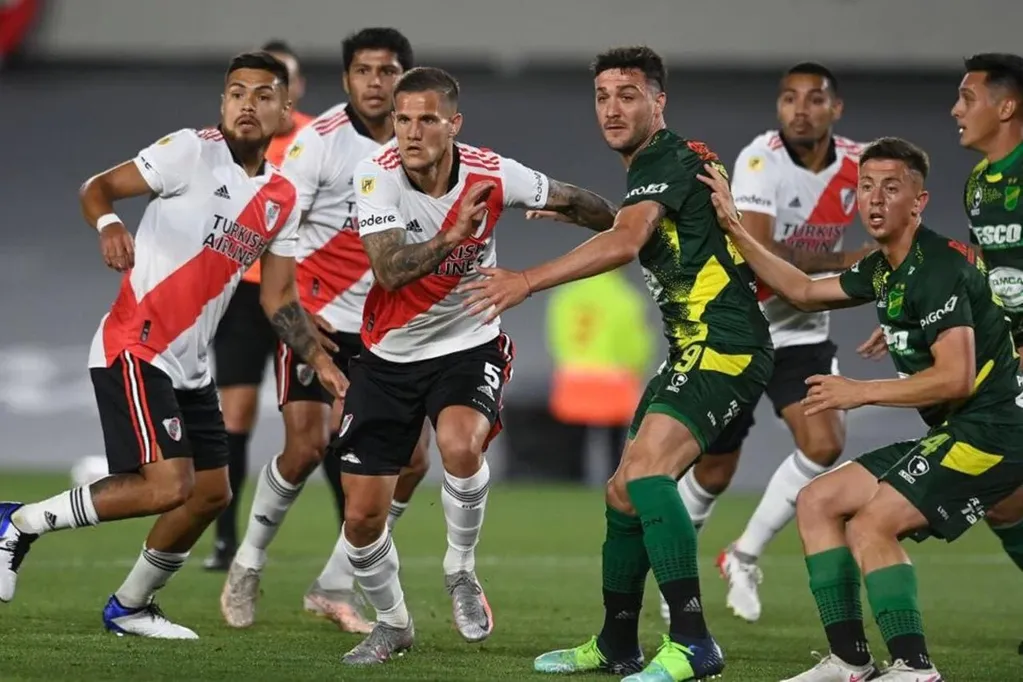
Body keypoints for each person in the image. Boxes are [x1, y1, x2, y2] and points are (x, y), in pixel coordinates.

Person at [0, 52, 346, 639]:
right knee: (167, 486)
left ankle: (131, 606)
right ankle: (18, 522)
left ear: (286, 109)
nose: (247, 104)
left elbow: (277, 298)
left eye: (263, 95)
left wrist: (317, 358)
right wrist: (110, 223)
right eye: (236, 92)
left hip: (190, 365)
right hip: (136, 345)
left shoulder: (282, 198)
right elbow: (97, 188)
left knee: (210, 494)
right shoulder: (189, 151)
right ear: (222, 102)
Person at [465, 46, 772, 682]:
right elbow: (649, 228)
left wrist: (525, 280)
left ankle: (693, 642)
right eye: (603, 96)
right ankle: (617, 644)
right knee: (622, 492)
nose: (612, 108)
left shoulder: (665, 158)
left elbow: (629, 240)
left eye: (628, 95)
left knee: (648, 475)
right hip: (692, 347)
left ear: (659, 102)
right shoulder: (663, 165)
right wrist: (591, 215)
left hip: (724, 344)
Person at [701, 135, 1023, 681]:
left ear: (918, 202)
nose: (874, 199)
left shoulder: (936, 267)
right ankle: (849, 661)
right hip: (960, 431)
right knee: (817, 500)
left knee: (873, 524)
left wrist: (858, 390)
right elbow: (803, 291)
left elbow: (956, 377)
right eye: (866, 186)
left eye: (891, 188)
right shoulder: (885, 269)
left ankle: (914, 668)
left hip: (991, 433)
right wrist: (735, 227)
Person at [334, 65, 619, 665]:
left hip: (468, 341)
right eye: (402, 120)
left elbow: (589, 205)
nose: (411, 132)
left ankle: (460, 570)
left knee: (461, 445)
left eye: (427, 120)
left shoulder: (494, 173)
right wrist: (452, 235)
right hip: (389, 354)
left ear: (454, 124)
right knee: (360, 518)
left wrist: (588, 215)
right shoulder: (375, 176)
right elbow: (389, 270)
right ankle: (393, 625)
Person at [220, 27, 430, 634]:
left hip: (387, 329)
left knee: (412, 462)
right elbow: (271, 222)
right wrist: (288, 302)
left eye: (387, 71)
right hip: (322, 320)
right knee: (307, 448)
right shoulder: (318, 144)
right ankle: (247, 563)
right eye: (363, 71)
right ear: (346, 80)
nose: (375, 83)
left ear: (405, 78)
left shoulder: (424, 140)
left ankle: (334, 583)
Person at [670, 62, 872, 625]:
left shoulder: (860, 163)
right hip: (741, 327)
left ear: (836, 108)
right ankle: (675, 578)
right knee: (714, 471)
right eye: (789, 99)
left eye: (814, 99)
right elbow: (758, 250)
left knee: (824, 443)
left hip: (804, 332)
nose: (799, 110)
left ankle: (743, 554)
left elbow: (896, 229)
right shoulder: (761, 160)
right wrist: (852, 261)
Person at [204, 38, 316, 573]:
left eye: (276, 86)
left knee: (319, 422)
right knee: (237, 414)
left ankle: (352, 544)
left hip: (305, 292)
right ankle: (225, 540)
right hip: (243, 293)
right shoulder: (225, 143)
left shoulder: (319, 140)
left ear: (294, 92)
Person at [546, 267, 654, 482]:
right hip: (614, 379)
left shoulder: (566, 295)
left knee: (572, 446)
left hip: (574, 377)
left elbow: (556, 335)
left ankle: (571, 487)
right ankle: (614, 488)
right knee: (616, 448)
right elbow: (637, 344)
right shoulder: (626, 298)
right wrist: (638, 369)